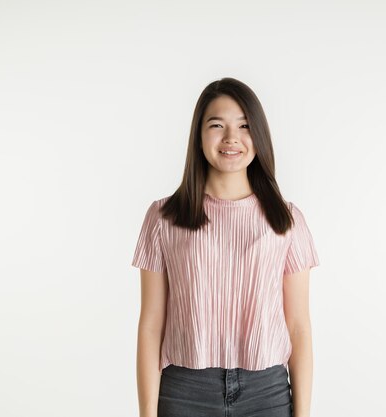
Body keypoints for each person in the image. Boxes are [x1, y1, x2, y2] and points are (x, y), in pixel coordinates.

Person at [131, 77, 320, 417]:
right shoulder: (164, 217)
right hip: (184, 391)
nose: (231, 138)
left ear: (258, 136)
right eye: (217, 125)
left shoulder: (286, 220)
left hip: (267, 392)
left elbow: (298, 327)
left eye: (245, 126)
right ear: (199, 136)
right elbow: (151, 324)